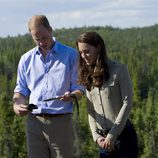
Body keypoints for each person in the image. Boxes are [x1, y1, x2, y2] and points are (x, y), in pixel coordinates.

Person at [13, 15, 84, 158]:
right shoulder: (26, 59)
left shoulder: (71, 55)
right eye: (37, 39)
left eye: (44, 37)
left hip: (61, 122)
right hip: (34, 123)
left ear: (51, 30)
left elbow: (80, 89)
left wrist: (71, 96)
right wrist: (17, 106)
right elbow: (21, 90)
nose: (41, 42)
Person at [76, 31, 138, 158]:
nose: (83, 56)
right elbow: (91, 111)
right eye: (81, 53)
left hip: (124, 137)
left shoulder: (120, 70)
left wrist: (113, 134)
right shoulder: (87, 75)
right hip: (103, 142)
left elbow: (127, 103)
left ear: (98, 48)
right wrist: (96, 137)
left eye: (87, 51)